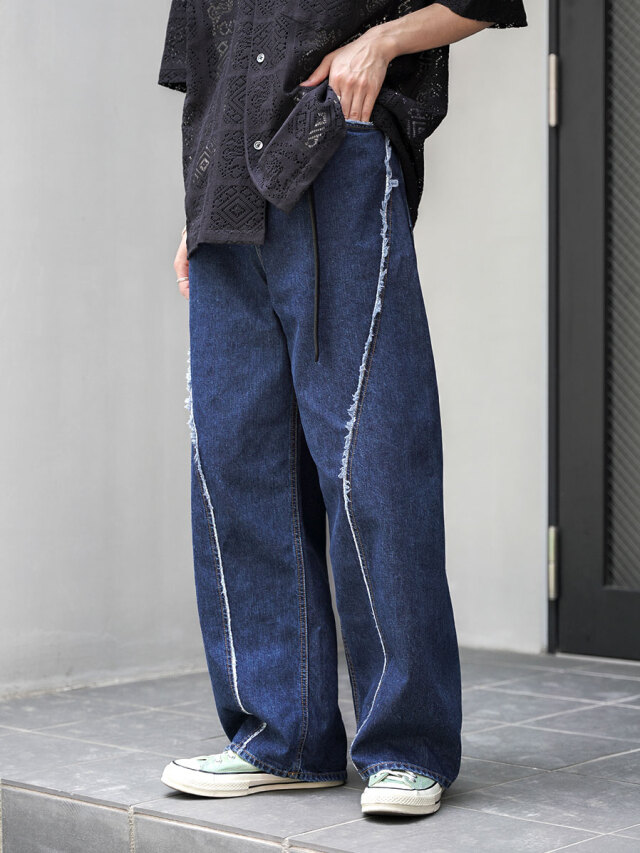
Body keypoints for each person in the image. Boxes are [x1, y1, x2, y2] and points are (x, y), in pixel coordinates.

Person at [157, 0, 527, 818]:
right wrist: (196, 208)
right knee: (235, 468)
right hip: (224, 199)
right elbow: (206, 72)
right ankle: (279, 740)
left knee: (373, 459)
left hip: (335, 159)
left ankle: (407, 744)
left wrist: (380, 43)